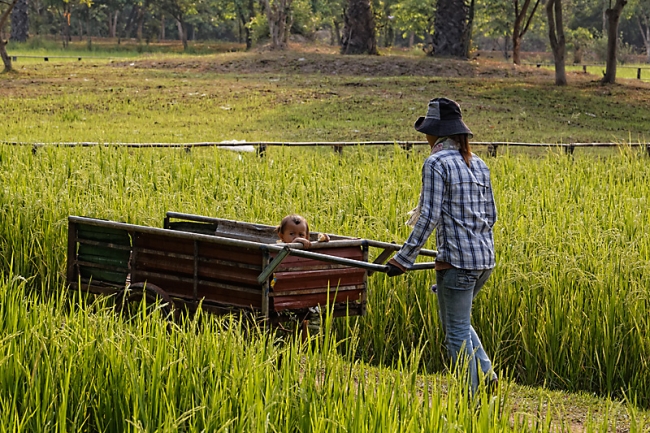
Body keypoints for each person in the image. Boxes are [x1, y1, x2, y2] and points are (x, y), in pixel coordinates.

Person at [386, 97, 498, 394]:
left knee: (455, 332)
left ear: (436, 133)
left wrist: (403, 258)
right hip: (484, 261)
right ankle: (486, 374)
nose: (425, 137)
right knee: (459, 322)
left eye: (427, 131)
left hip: (457, 264)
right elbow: (492, 216)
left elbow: (429, 217)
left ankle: (473, 398)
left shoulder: (436, 162)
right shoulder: (479, 163)